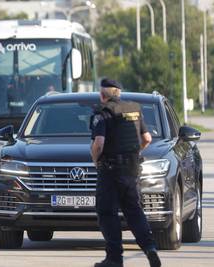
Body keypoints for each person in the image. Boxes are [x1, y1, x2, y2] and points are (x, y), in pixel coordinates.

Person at [90, 78, 161, 267]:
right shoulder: (134, 109)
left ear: (103, 95)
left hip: (110, 171)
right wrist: (134, 153)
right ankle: (150, 248)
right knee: (135, 211)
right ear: (118, 93)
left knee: (107, 213)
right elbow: (147, 138)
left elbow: (99, 143)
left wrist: (96, 161)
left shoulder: (103, 113)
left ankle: (114, 258)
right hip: (132, 170)